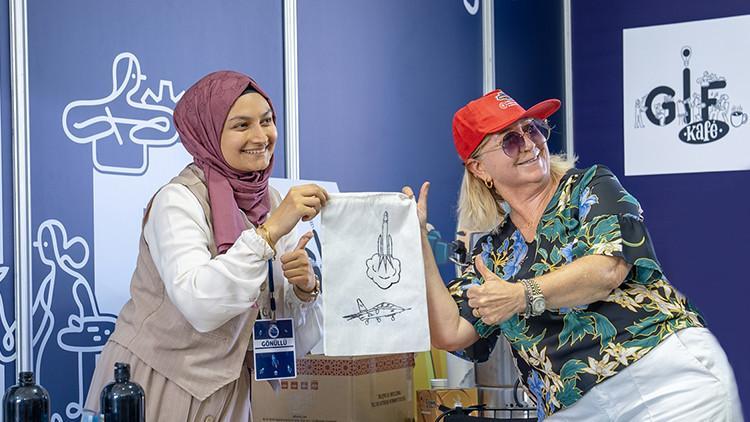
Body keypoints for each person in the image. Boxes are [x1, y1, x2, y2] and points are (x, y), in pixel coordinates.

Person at [405, 89, 742, 421]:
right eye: (510, 140)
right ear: (479, 168)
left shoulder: (590, 187)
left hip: (663, 381)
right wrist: (418, 240)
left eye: (532, 129)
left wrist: (521, 295)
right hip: (571, 409)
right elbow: (450, 331)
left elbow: (606, 270)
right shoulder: (493, 253)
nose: (530, 144)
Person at [84, 71, 328, 421]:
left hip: (232, 391)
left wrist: (304, 288)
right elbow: (199, 304)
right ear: (208, 133)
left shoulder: (271, 201)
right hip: (160, 383)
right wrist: (269, 233)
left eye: (267, 121)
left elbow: (283, 323)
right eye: (241, 125)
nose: (261, 136)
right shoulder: (177, 200)